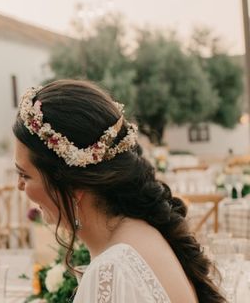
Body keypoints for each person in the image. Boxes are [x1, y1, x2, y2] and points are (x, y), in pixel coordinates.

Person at [13, 79, 224, 303]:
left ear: (73, 185)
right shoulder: (143, 231)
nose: (19, 185)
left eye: (25, 175)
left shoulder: (111, 273)